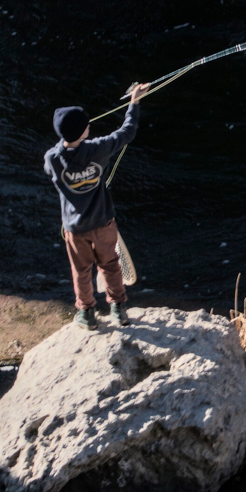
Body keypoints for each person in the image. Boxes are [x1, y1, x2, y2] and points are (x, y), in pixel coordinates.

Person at [43, 82, 150, 329]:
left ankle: (87, 314)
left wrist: (65, 142)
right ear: (84, 131)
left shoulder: (52, 159)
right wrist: (134, 102)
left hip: (75, 229)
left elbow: (54, 158)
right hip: (103, 223)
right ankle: (119, 310)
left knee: (81, 271)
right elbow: (127, 131)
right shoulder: (98, 149)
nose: (89, 125)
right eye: (86, 124)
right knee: (111, 264)